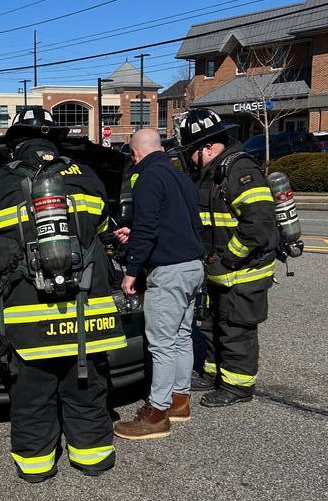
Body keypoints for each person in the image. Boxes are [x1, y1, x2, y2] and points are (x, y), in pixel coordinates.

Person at [0, 107, 126, 482]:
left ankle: (36, 465)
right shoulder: (87, 175)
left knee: (32, 394)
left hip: (30, 319)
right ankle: (93, 458)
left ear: (14, 145)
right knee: (86, 387)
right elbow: (104, 229)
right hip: (86, 315)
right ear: (56, 142)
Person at [178, 109, 280, 408]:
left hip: (243, 270)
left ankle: (237, 386)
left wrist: (229, 259)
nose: (188, 159)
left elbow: (258, 224)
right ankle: (214, 373)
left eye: (191, 151)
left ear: (207, 147)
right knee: (212, 324)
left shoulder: (240, 171)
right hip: (219, 269)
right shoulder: (212, 172)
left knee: (236, 328)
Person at [112, 128, 204, 440]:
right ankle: (180, 401)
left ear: (135, 153)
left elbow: (149, 226)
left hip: (168, 272)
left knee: (161, 344)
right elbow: (182, 223)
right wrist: (135, 234)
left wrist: (132, 270)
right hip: (192, 267)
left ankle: (157, 415)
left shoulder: (147, 177)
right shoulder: (180, 176)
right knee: (181, 337)